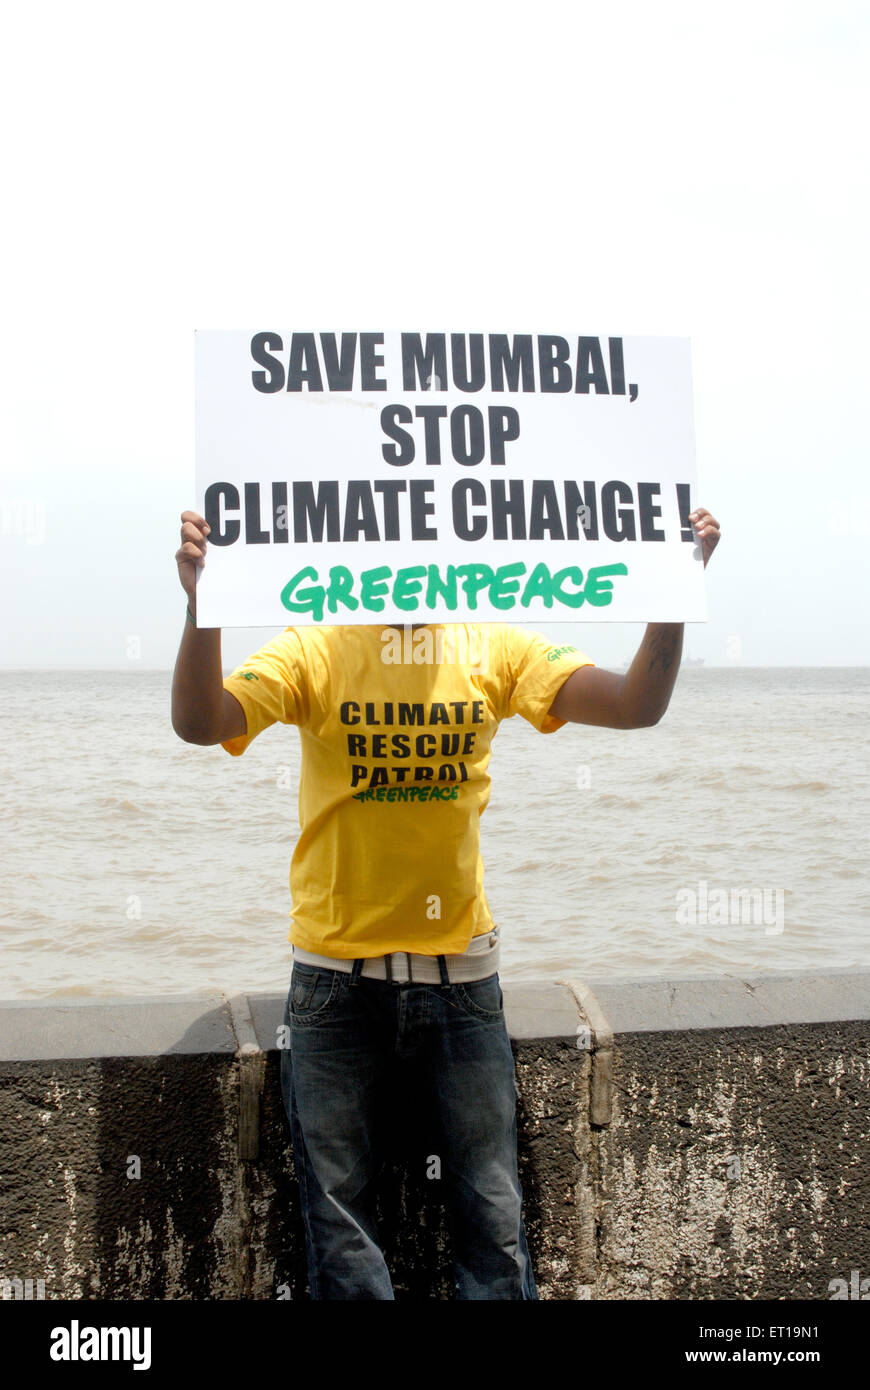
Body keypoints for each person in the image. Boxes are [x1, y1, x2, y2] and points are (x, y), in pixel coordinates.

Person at [171, 506, 721, 1300]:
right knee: (340, 1231)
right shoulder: (318, 641)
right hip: (332, 980)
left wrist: (674, 589)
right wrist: (201, 605)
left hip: (463, 976)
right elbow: (200, 723)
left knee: (494, 1228)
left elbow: (638, 703)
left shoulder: (495, 641)